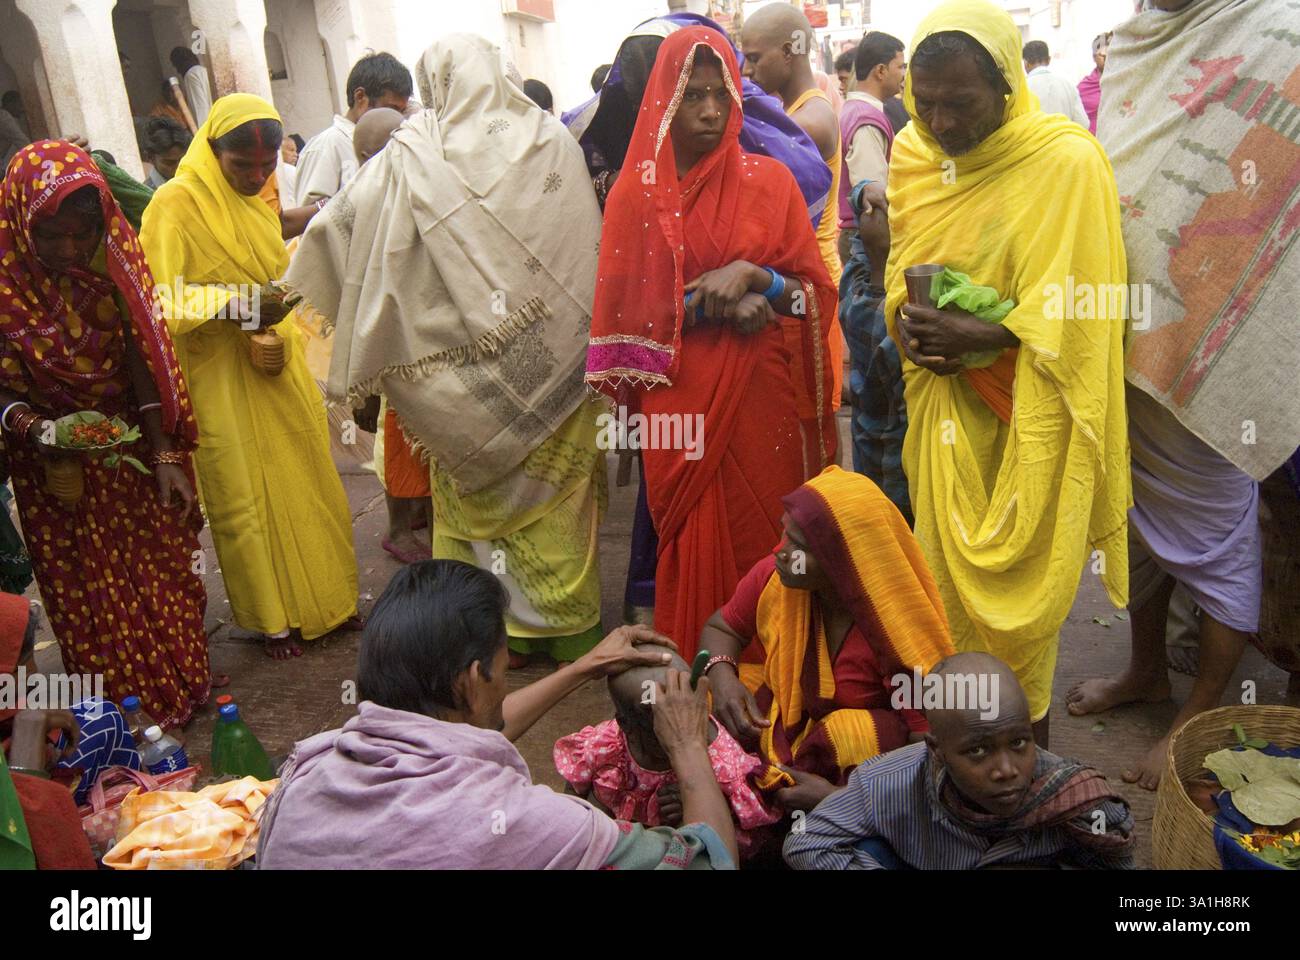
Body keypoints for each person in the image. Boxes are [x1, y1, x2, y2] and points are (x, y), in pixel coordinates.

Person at [287, 36, 607, 669]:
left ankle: (492, 638)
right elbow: (579, 256)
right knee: (561, 506)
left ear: (433, 85)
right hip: (562, 363)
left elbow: (335, 230)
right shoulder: (552, 141)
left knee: (472, 513)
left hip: (457, 386)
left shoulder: (415, 150)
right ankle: (566, 632)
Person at [1066, 0, 1300, 788]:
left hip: (1217, 351)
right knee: (1129, 525)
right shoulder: (1140, 39)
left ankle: (1199, 715)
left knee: (1217, 539)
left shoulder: (1277, 27)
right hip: (1119, 336)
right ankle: (1144, 673)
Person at [886, 0, 1130, 747]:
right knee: (944, 597)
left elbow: (1090, 307)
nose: (944, 123)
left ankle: (1026, 779)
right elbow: (898, 269)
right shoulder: (912, 155)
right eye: (925, 104)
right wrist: (909, 324)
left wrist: (984, 333)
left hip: (1029, 412)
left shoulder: (1065, 162)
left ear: (1007, 87)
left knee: (1024, 618)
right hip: (944, 413)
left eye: (961, 104)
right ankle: (961, 772)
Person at [563, 10, 834, 629]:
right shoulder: (639, 193)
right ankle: (701, 678)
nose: (711, 110)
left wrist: (757, 278)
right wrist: (705, 307)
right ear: (663, 100)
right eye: (692, 96)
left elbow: (812, 298)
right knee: (689, 540)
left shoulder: (771, 184)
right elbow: (622, 329)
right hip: (680, 404)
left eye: (722, 93)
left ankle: (774, 680)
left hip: (763, 400)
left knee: (767, 535)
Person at [258, 560, 739, 870]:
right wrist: (688, 745)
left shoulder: (305, 781)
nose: (505, 680)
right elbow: (710, 862)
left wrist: (586, 666)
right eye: (504, 667)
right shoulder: (528, 822)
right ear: (471, 679)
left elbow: (469, 730)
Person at [0, 141, 213, 726]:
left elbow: (143, 351)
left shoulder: (112, 262)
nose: (69, 250)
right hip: (50, 466)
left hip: (131, 447)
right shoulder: (4, 282)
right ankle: (123, 712)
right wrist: (41, 430)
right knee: (84, 591)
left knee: (165, 568)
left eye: (81, 234)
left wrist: (166, 452)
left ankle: (183, 685)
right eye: (52, 238)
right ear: (22, 224)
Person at [140, 95, 359, 661]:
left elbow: (271, 271)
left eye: (266, 168)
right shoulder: (174, 203)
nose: (258, 178)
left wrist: (282, 296)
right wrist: (239, 305)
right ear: (213, 153)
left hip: (273, 364)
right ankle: (273, 621)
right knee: (245, 499)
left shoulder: (258, 201)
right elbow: (159, 299)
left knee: (309, 477)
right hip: (219, 376)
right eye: (244, 168)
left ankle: (329, 602)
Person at [699, 466, 953, 817]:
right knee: (704, 693)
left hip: (857, 769)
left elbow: (927, 752)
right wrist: (723, 679)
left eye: (800, 547)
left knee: (851, 732)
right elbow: (723, 628)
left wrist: (837, 797)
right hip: (789, 724)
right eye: (784, 534)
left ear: (845, 560)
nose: (781, 552)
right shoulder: (776, 579)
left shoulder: (894, 631)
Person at [784, 652, 1136, 869]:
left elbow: (1117, 859)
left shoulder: (1075, 798)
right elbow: (806, 840)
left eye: (1018, 742)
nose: (1006, 770)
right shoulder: (886, 782)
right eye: (978, 751)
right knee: (868, 847)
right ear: (936, 750)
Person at [553, 643, 780, 859]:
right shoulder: (607, 744)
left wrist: (695, 802)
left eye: (682, 709)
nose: (677, 723)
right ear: (625, 724)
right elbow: (574, 790)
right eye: (660, 719)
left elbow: (740, 834)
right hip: (614, 846)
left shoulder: (722, 761)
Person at [741, 4, 846, 406]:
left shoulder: (810, 122)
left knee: (813, 428)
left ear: (788, 52)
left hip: (809, 287)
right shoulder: (790, 113)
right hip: (790, 285)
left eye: (754, 58)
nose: (748, 71)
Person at [342, 106, 433, 568]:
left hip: (422, 340)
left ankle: (421, 515)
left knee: (426, 435)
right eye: (386, 149)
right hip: (386, 346)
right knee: (397, 435)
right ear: (363, 155)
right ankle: (398, 529)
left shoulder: (411, 189)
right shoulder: (358, 203)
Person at [841, 182, 910, 522]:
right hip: (887, 450)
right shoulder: (892, 316)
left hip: (880, 447)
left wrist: (865, 192)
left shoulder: (855, 286)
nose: (872, 215)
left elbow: (859, 235)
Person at [293, 52, 413, 207]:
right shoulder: (328, 145)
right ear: (360, 97)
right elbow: (311, 222)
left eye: (402, 111)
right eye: (391, 108)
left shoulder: (393, 143)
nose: (397, 118)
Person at [836, 30, 904, 263]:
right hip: (865, 239)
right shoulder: (866, 121)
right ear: (881, 71)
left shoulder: (853, 110)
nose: (903, 74)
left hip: (858, 236)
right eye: (900, 66)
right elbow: (873, 198)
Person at [1022, 40, 1088, 127]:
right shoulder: (1068, 85)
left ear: (1026, 63)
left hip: (1033, 140)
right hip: (1064, 139)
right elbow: (1083, 123)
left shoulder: (1022, 88)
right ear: (1049, 60)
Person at [139, 116, 192, 189]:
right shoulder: (147, 196)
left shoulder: (194, 182)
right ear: (150, 158)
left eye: (182, 160)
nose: (178, 167)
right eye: (169, 163)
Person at [169, 47, 211, 127]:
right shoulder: (203, 70)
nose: (178, 71)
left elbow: (200, 109)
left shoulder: (191, 75)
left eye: (176, 66)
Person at [1077, 34, 1108, 135]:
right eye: (1102, 55)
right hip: (1092, 142)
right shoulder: (1084, 87)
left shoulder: (1123, 81)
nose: (1107, 58)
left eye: (1110, 55)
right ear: (1094, 57)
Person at [0, 92, 28, 170]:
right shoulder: (4, 118)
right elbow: (23, 143)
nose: (23, 109)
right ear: (11, 104)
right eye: (20, 105)